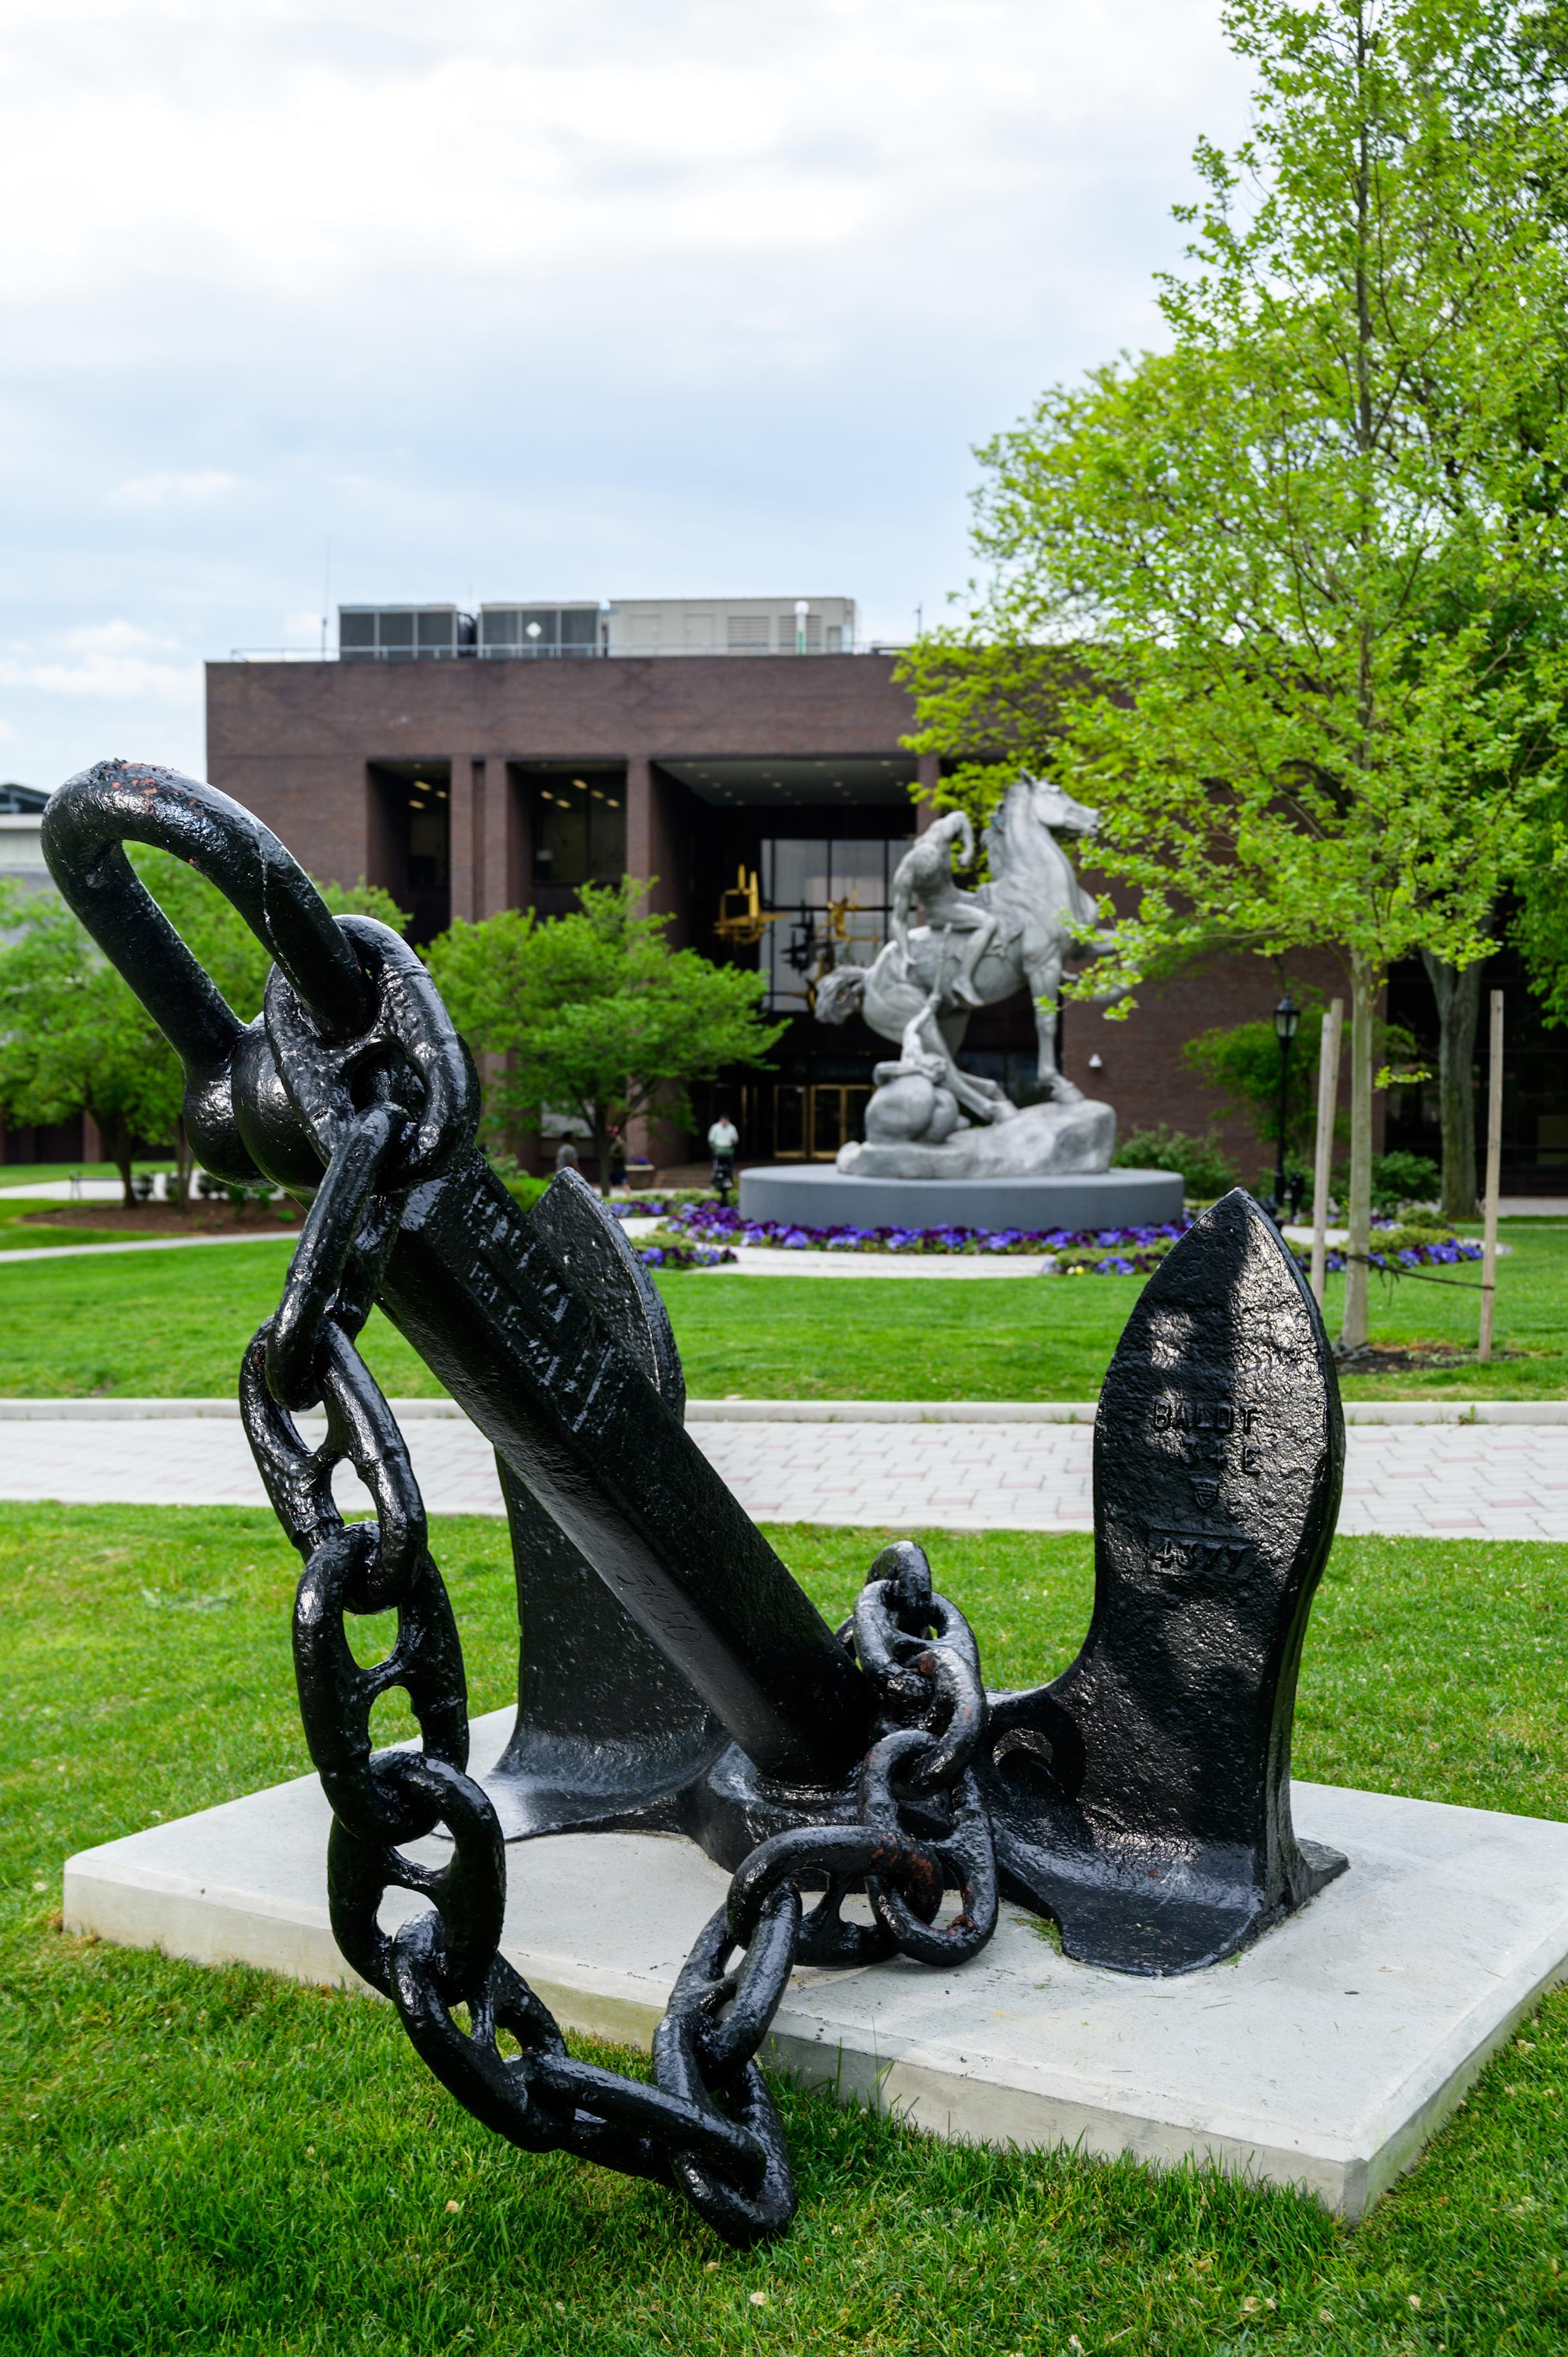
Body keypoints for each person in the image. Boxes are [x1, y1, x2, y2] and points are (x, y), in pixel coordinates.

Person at [708, 1112, 739, 1198]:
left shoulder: (732, 1128)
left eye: (726, 1120)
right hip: (719, 1151)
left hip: (728, 1151)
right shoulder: (715, 1128)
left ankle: (729, 1184)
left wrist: (731, 1144)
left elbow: (735, 1140)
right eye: (723, 1120)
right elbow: (711, 1140)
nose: (724, 1122)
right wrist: (716, 1149)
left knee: (729, 1169)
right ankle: (714, 1184)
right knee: (717, 1168)